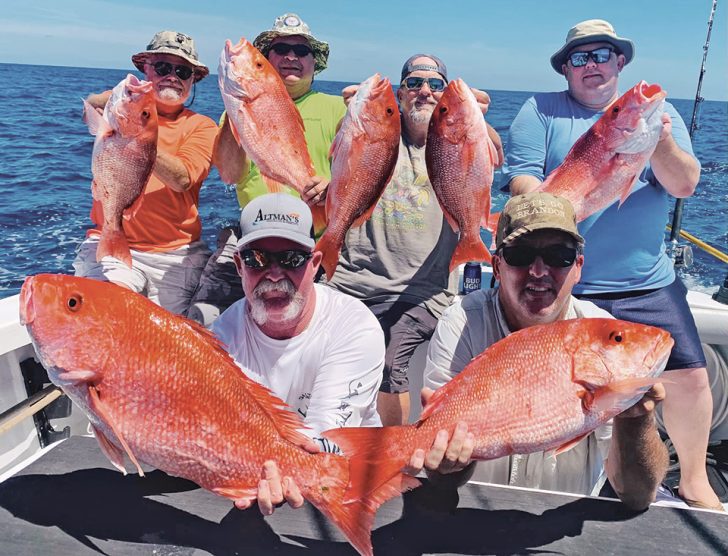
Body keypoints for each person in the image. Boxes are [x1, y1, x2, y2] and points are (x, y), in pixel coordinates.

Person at [502, 19, 720, 510]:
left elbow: (685, 185)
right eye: (580, 57)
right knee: (559, 385)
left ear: (620, 62)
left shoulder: (661, 119)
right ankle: (546, 472)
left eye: (603, 54)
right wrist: (547, 207)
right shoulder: (540, 110)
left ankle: (692, 478)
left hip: (647, 281)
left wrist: (656, 139)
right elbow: (519, 180)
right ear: (566, 68)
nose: (593, 64)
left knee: (689, 374)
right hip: (564, 282)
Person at [413, 192, 669, 510]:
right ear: (497, 265)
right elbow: (442, 477)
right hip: (473, 516)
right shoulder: (463, 322)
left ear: (578, 267)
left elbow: (636, 495)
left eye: (558, 256)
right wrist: (447, 464)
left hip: (556, 528)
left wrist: (636, 420)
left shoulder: (600, 332)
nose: (538, 271)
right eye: (520, 255)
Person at [327, 54, 504, 426]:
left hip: (422, 291)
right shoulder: (378, 133)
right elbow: (350, 133)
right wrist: (356, 111)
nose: (424, 91)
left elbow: (493, 153)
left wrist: (479, 123)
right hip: (352, 279)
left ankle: (391, 459)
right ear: (399, 92)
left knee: (391, 360)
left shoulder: (456, 139)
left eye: (436, 85)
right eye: (413, 83)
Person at [211, 192, 385, 513]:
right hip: (257, 488)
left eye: (292, 259)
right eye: (257, 259)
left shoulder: (354, 326)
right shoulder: (220, 339)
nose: (275, 274)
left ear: (315, 264)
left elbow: (324, 437)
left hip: (349, 491)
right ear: (238, 265)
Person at [188, 12, 347, 326]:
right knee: (202, 321)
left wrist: (332, 189)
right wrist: (235, 108)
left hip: (318, 239)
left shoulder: (339, 109)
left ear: (315, 62)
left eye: (302, 51)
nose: (291, 57)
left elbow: (364, 174)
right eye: (280, 49)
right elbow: (230, 174)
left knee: (319, 328)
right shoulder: (233, 113)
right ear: (268, 59)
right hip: (251, 236)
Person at [73, 30, 217, 315]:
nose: (173, 76)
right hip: (111, 241)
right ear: (145, 69)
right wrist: (120, 101)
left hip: (175, 255)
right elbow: (89, 104)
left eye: (183, 71)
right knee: (107, 316)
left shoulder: (203, 126)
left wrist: (140, 137)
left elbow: (182, 178)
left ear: (193, 80)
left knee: (163, 339)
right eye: (162, 67)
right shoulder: (122, 106)